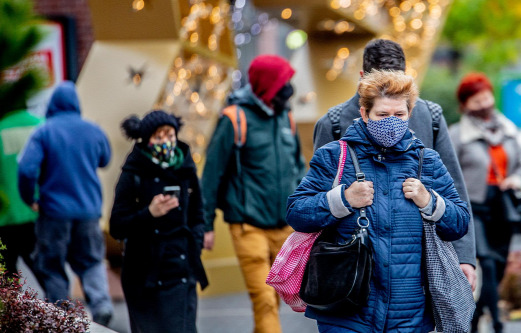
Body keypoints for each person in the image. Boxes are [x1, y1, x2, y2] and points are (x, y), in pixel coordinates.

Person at [287, 70, 470, 332]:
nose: (391, 122)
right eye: (382, 115)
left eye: (399, 115)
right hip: (345, 304)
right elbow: (296, 213)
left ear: (410, 113)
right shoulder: (334, 156)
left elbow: (460, 222)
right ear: (364, 114)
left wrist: (429, 201)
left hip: (408, 312)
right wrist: (343, 198)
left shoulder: (426, 161)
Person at [312, 39, 477, 289]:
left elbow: (454, 188)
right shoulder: (333, 123)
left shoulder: (429, 116)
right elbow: (314, 198)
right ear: (361, 80)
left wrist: (464, 257)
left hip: (415, 261)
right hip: (353, 262)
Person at [201, 54, 305, 333]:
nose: (289, 88)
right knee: (264, 300)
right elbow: (211, 176)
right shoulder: (234, 119)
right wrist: (206, 224)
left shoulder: (287, 117)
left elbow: (298, 166)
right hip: (248, 227)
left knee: (275, 298)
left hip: (285, 227)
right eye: (283, 82)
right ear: (268, 85)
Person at [17, 81, 114, 325]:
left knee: (52, 265)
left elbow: (27, 169)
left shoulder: (44, 132)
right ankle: (101, 304)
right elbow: (106, 159)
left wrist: (31, 199)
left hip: (54, 213)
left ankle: (63, 316)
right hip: (89, 211)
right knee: (91, 261)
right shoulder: (93, 130)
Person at [110, 110, 208, 333]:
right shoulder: (133, 171)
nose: (166, 141)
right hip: (144, 274)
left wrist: (195, 242)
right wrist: (149, 213)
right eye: (159, 136)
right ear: (147, 140)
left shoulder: (185, 166)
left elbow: (198, 212)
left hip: (181, 269)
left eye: (169, 134)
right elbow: (117, 225)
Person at [449, 73, 521, 333]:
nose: (483, 103)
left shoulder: (507, 129)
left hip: (502, 205)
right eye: (476, 100)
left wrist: (515, 178)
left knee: (501, 265)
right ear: (464, 105)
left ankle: (474, 319)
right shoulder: (457, 135)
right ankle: (497, 322)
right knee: (488, 263)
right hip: (472, 207)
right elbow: (447, 170)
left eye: (486, 97)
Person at [0, 108, 42, 276]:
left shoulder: (1, 128)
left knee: (7, 278)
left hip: (5, 215)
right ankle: (58, 302)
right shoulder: (40, 125)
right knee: (45, 271)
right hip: (36, 211)